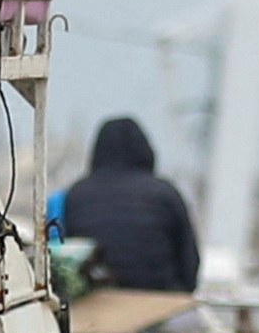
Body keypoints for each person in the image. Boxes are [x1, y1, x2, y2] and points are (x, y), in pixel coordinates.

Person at [57, 116, 201, 292]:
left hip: (98, 299)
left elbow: (69, 257)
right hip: (158, 299)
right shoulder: (165, 193)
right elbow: (189, 260)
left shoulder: (76, 194)